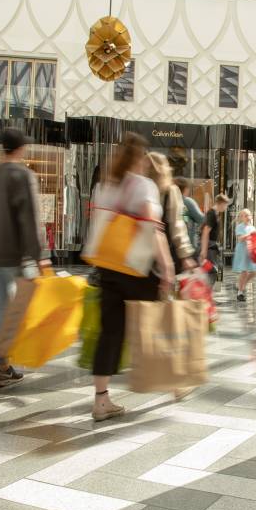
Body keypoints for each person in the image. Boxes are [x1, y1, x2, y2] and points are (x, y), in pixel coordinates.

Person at [91, 133, 175, 421]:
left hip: (108, 266)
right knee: (156, 322)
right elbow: (153, 229)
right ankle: (175, 380)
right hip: (137, 268)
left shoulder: (105, 185)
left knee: (109, 332)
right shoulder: (143, 185)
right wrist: (166, 268)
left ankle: (101, 400)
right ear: (140, 157)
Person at [0, 128, 49, 389]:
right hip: (19, 256)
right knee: (33, 303)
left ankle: (3, 364)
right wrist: (40, 255)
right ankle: (12, 352)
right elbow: (30, 218)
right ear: (21, 148)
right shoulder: (23, 175)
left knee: (3, 307)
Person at [147, 155, 196, 275]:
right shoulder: (171, 191)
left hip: (136, 257)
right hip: (160, 255)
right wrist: (185, 256)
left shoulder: (138, 187)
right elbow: (177, 225)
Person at [199, 194, 229, 282]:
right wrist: (204, 250)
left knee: (212, 270)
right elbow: (205, 231)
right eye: (226, 205)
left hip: (211, 246)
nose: (226, 207)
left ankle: (206, 292)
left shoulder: (214, 213)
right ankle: (205, 292)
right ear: (222, 203)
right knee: (211, 271)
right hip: (209, 246)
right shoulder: (211, 213)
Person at [233, 209, 256, 302]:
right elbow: (240, 239)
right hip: (242, 251)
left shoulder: (252, 227)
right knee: (244, 272)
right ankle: (240, 293)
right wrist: (250, 235)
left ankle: (241, 285)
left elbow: (255, 239)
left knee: (254, 271)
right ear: (242, 217)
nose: (248, 217)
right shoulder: (240, 227)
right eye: (246, 215)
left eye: (249, 215)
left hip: (250, 251)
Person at [174, 177, 204, 252]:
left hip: (173, 246)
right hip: (188, 245)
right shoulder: (188, 202)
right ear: (185, 189)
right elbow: (201, 219)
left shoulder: (170, 201)